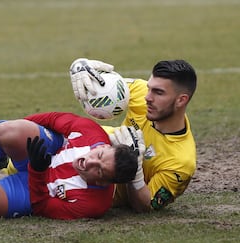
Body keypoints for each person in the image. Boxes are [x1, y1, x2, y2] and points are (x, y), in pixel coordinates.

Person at [0, 112, 141, 220]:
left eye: (98, 169)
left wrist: (40, 171)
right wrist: (16, 129)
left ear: (102, 182)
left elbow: (42, 206)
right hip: (45, 150)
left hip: (33, 187)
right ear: (104, 146)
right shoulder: (92, 133)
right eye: (99, 154)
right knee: (10, 131)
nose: (90, 160)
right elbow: (52, 119)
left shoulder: (92, 205)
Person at [68, 58, 198, 212]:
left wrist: (135, 172)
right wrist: (80, 66)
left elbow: (145, 206)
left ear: (181, 100)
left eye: (158, 92)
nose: (148, 97)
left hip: (85, 182)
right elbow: (103, 86)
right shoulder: (141, 92)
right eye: (150, 88)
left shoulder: (181, 162)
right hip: (72, 141)